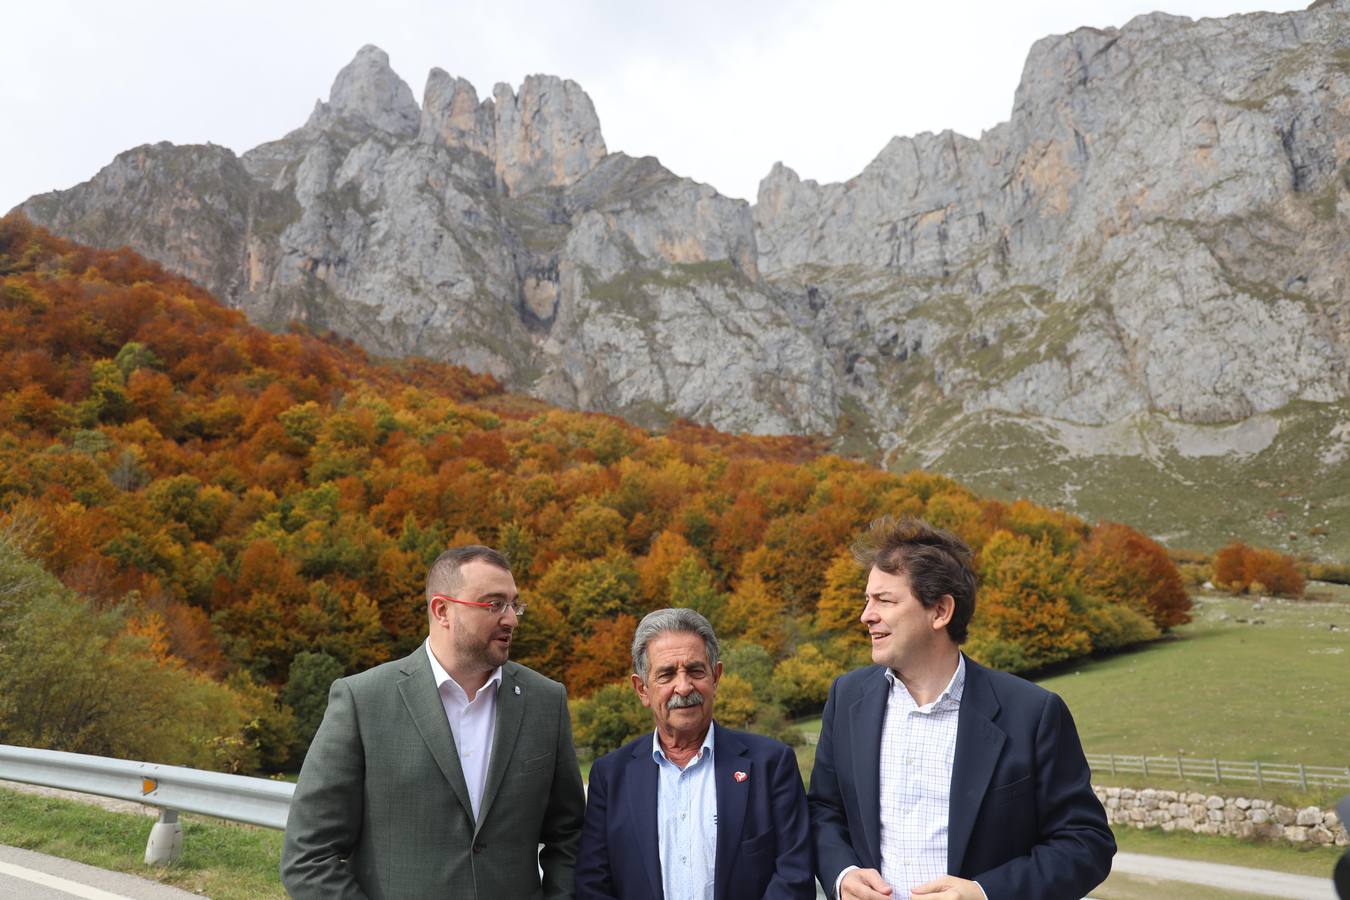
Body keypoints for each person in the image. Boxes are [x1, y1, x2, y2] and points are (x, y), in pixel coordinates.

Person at [809, 517, 1115, 900]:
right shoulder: (846, 697)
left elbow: (1086, 843)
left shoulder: (1033, 713)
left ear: (940, 612)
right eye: (867, 600)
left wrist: (985, 893)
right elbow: (823, 811)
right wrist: (842, 873)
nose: (866, 615)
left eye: (884, 600)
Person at [281, 545, 586, 899]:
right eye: (493, 604)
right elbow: (308, 857)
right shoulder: (363, 701)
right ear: (442, 610)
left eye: (514, 604)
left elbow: (570, 835)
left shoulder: (544, 701)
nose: (511, 619)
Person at [575, 607, 815, 900]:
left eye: (695, 670)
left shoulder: (771, 765)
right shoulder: (610, 777)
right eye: (666, 674)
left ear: (716, 676)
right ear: (642, 689)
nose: (684, 686)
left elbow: (795, 875)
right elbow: (593, 885)